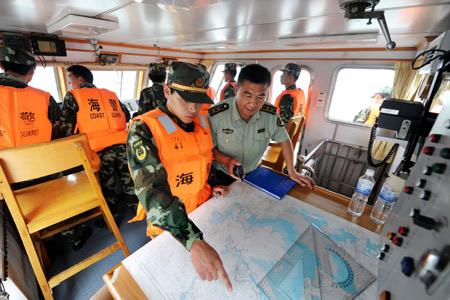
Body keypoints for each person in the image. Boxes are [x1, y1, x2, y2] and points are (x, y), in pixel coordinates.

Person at [127, 62, 232, 292]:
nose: (193, 108)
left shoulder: (202, 120)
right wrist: (192, 240)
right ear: (167, 91)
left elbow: (202, 158)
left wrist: (213, 184)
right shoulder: (143, 130)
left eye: (199, 100)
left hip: (205, 209)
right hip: (172, 226)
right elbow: (152, 193)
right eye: (185, 99)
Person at [0, 47, 91, 251]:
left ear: (1, 66)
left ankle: (45, 242)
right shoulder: (43, 98)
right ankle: (75, 235)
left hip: (7, 182)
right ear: (31, 71)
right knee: (61, 178)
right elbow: (64, 133)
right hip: (44, 171)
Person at [207, 64, 315, 189]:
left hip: (254, 173)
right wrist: (227, 161)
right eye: (248, 95)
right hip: (222, 175)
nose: (253, 103)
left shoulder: (270, 114)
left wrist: (292, 171)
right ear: (236, 90)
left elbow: (284, 139)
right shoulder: (216, 114)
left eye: (260, 97)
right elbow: (210, 148)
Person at [61, 65, 138, 226]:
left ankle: (113, 219)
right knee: (129, 180)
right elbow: (125, 115)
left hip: (99, 149)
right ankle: (137, 210)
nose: (70, 83)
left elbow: (67, 126)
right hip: (123, 144)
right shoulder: (110, 94)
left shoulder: (72, 96)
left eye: (70, 79)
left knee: (107, 186)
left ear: (80, 80)